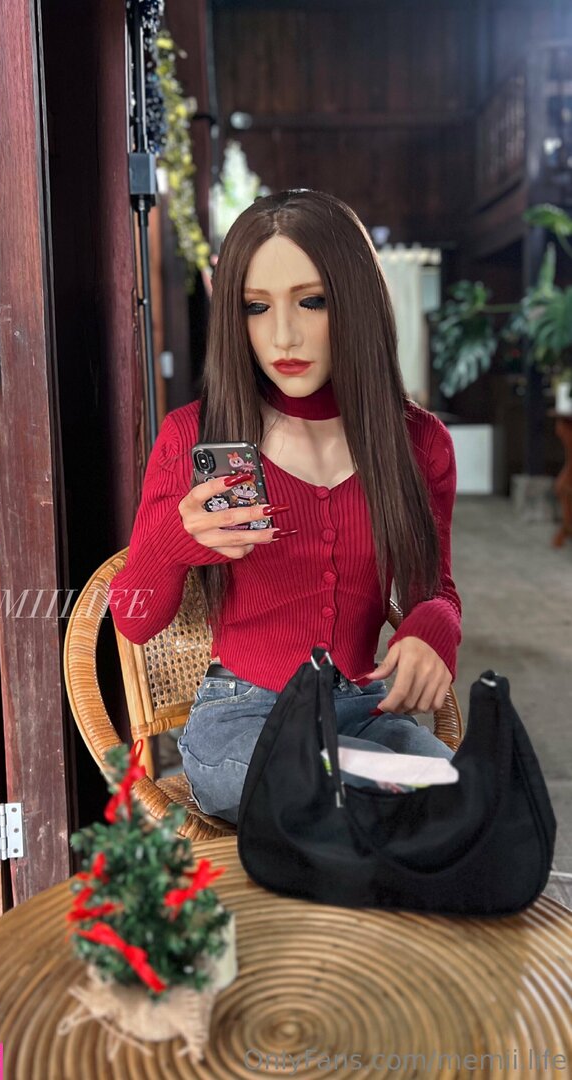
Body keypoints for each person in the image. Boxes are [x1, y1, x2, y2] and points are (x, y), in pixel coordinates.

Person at [107, 189, 461, 823]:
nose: (283, 335)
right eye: (256, 307)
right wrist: (173, 543)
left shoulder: (418, 443)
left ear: (355, 300)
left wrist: (432, 630)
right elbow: (133, 620)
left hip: (364, 712)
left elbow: (434, 591)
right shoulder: (191, 437)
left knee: (451, 786)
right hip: (242, 724)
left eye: (312, 301)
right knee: (364, 789)